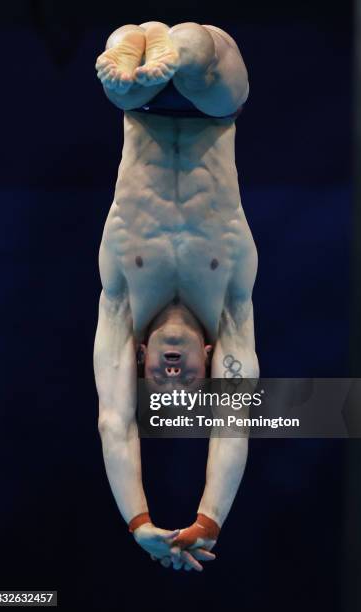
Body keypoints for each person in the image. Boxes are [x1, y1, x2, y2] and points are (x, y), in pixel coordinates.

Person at [93, 21, 259, 571]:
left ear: (138, 360)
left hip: (139, 112)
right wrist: (208, 519)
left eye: (156, 381)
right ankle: (169, 52)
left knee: (123, 80)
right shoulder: (231, 313)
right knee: (196, 52)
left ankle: (131, 51)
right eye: (186, 380)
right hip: (212, 111)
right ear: (209, 360)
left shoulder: (120, 307)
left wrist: (139, 523)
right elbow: (234, 425)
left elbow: (115, 422)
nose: (170, 373)